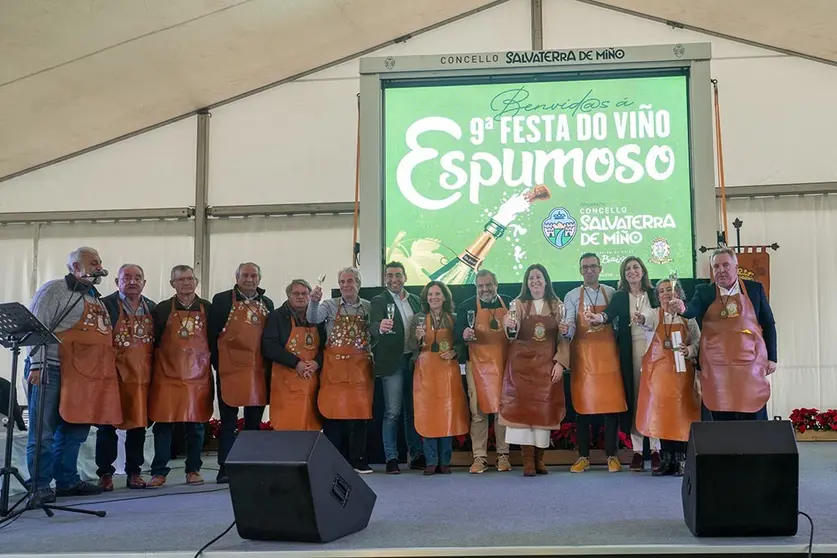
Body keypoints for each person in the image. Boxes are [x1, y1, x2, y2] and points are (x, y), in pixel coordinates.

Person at [25, 246, 117, 501]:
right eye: (93, 262)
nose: (99, 266)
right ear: (75, 267)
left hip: (83, 376)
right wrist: (37, 364)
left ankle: (66, 480)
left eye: (99, 262)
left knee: (74, 431)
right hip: (51, 369)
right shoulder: (54, 290)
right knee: (43, 432)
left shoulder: (94, 297)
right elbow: (37, 325)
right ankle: (39, 485)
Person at [668, 247, 777, 421]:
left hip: (750, 366)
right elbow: (691, 309)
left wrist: (772, 357)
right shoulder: (704, 291)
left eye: (726, 265)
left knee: (753, 413)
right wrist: (683, 307)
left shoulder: (754, 289)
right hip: (717, 368)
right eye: (716, 267)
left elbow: (768, 323)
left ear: (736, 266)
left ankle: (756, 449)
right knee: (722, 415)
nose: (721, 270)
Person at [586, 256, 659, 472]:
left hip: (655, 353)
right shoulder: (620, 297)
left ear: (643, 271)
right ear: (623, 274)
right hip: (630, 354)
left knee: (654, 398)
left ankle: (657, 450)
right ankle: (637, 452)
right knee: (635, 398)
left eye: (636, 267)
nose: (632, 271)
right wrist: (595, 318)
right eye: (628, 269)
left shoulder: (654, 294)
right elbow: (606, 316)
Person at [500, 264, 571, 477]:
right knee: (521, 414)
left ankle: (540, 459)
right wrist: (510, 323)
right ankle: (528, 460)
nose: (535, 281)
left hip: (545, 368)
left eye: (539, 277)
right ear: (526, 282)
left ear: (546, 280)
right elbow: (510, 326)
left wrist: (560, 363)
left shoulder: (557, 306)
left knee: (543, 413)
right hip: (521, 367)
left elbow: (563, 338)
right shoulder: (518, 304)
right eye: (531, 278)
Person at [208, 262, 274, 484]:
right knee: (228, 422)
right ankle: (225, 467)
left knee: (253, 423)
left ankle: (251, 464)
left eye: (253, 275)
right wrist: (218, 364)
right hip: (230, 370)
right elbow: (212, 334)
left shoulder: (267, 302)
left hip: (258, 370)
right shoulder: (222, 300)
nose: (249, 279)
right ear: (237, 278)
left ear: (259, 279)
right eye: (245, 275)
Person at [147, 265, 213, 487]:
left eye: (190, 278)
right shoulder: (163, 309)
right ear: (172, 284)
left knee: (196, 424)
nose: (186, 283)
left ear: (196, 282)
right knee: (163, 424)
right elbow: (153, 341)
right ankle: (159, 471)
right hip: (167, 375)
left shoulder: (207, 308)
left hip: (198, 375)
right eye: (181, 279)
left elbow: (215, 340)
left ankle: (193, 470)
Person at [563, 253, 625, 474]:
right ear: (580, 271)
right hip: (583, 359)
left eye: (593, 266)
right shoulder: (571, 296)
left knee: (611, 408)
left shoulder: (612, 293)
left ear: (600, 269)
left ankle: (612, 456)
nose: (589, 270)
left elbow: (618, 324)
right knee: (582, 408)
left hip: (609, 358)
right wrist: (566, 330)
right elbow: (569, 324)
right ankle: (583, 456)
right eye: (585, 267)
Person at [308, 267, 374, 474]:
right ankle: (334, 459)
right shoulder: (329, 305)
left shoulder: (369, 307)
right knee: (333, 413)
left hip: (360, 368)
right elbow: (312, 319)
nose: (346, 285)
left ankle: (358, 460)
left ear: (358, 284)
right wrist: (314, 301)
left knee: (359, 415)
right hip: (334, 368)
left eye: (350, 281)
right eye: (342, 281)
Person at [98, 263, 156, 490]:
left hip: (141, 375)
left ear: (144, 282)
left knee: (138, 426)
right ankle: (105, 473)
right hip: (112, 375)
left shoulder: (151, 307)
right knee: (107, 425)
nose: (133, 281)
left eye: (138, 277)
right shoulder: (105, 305)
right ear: (117, 282)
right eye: (127, 277)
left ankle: (134, 473)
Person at [635, 278, 701, 476]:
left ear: (678, 294)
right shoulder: (655, 315)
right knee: (662, 417)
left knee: (680, 417)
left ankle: (681, 459)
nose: (666, 294)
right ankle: (666, 459)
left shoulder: (688, 317)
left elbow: (698, 341)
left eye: (670, 290)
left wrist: (689, 349)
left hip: (681, 377)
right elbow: (645, 320)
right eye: (662, 291)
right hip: (658, 378)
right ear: (658, 296)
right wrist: (640, 318)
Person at [454, 269, 513, 474]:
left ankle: (503, 455)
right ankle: (479, 457)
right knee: (477, 412)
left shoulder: (509, 303)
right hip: (477, 366)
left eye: (489, 285)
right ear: (476, 287)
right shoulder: (466, 306)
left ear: (497, 284)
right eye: (480, 286)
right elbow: (456, 333)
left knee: (502, 412)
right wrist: (464, 332)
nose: (485, 289)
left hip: (504, 364)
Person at [407, 280, 469, 475]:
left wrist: (454, 351)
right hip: (425, 371)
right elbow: (409, 346)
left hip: (447, 371)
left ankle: (445, 461)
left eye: (437, 294)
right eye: (430, 294)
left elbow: (462, 343)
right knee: (428, 414)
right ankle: (431, 461)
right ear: (426, 298)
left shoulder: (454, 318)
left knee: (446, 414)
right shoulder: (417, 319)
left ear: (444, 297)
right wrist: (416, 339)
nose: (433, 298)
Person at [369, 261, 425, 474]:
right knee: (392, 411)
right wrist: (379, 327)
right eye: (390, 276)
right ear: (385, 279)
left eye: (398, 275)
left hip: (414, 360)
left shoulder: (416, 301)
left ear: (405, 277)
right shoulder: (378, 301)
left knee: (412, 411)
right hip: (391, 362)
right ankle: (391, 458)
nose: (394, 279)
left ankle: (416, 455)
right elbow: (372, 325)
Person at [262, 279, 326, 431]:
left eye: (304, 293)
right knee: (287, 429)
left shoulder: (319, 318)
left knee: (311, 428)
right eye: (296, 293)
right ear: (288, 296)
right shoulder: (277, 316)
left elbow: (328, 346)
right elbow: (268, 346)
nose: (300, 297)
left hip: (312, 381)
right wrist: (296, 363)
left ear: (310, 296)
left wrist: (317, 363)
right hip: (285, 383)